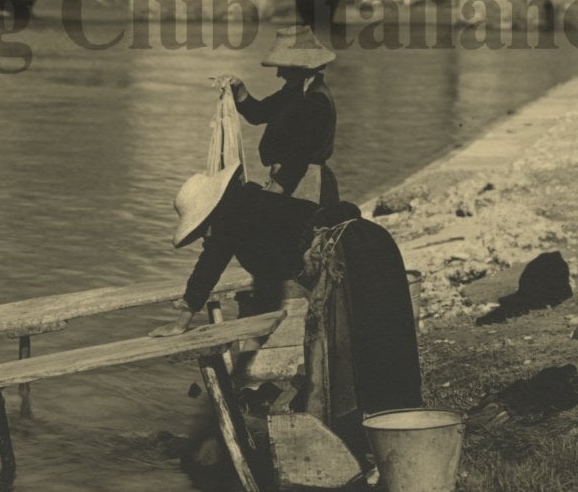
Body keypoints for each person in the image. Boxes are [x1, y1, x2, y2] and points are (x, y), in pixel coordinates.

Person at [154, 160, 422, 424]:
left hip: (346, 254)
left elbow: (207, 269)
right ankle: (399, 417)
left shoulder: (229, 217)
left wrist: (181, 323)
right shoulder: (256, 202)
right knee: (385, 334)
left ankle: (359, 424)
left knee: (346, 346)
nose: (205, 237)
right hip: (372, 240)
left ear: (209, 213)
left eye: (202, 230)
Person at [215, 24, 339, 202]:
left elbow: (300, 154)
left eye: (283, 67)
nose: (279, 74)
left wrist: (277, 189)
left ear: (300, 67)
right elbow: (258, 114)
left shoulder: (316, 101)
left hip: (305, 184)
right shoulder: (293, 93)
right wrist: (239, 90)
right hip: (290, 179)